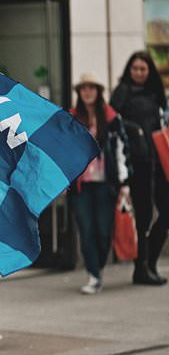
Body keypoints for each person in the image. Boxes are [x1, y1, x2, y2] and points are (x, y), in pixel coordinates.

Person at [110, 51, 168, 285]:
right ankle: (141, 268)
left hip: (159, 159)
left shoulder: (156, 92)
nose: (139, 73)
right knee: (143, 216)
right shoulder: (123, 91)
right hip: (136, 161)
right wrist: (134, 129)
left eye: (143, 69)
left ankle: (151, 262)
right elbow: (112, 118)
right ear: (129, 70)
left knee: (165, 213)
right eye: (135, 68)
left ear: (150, 71)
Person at [69, 73, 130, 294]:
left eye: (91, 88)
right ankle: (94, 275)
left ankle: (98, 267)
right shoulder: (71, 117)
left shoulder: (111, 117)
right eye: (83, 88)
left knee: (104, 231)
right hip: (81, 184)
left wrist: (124, 182)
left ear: (98, 91)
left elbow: (122, 149)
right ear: (78, 93)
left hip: (106, 183)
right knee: (86, 230)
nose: (87, 92)